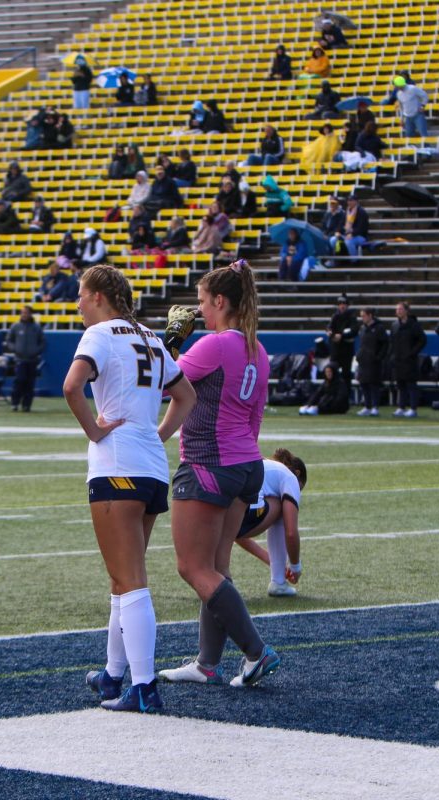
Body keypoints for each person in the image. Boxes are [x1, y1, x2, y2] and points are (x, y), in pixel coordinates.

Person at [64, 265, 196, 713]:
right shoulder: (152, 338)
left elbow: (72, 387)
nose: (77, 303)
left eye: (81, 294)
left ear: (100, 295)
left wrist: (94, 432)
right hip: (152, 467)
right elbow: (186, 396)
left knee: (131, 580)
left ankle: (143, 686)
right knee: (123, 579)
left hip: (116, 465)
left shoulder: (99, 335)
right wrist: (155, 435)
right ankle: (113, 675)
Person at [157, 259, 280, 689]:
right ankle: (208, 664)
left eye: (202, 303)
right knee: (217, 568)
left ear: (221, 301)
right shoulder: (256, 349)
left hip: (209, 463)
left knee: (193, 568)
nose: (198, 312)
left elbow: (164, 383)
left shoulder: (214, 346)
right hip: (246, 464)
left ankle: (256, 652)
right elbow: (255, 417)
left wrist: (170, 343)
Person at [233, 449, 307, 596]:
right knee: (282, 507)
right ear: (297, 473)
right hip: (243, 511)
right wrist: (295, 567)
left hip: (224, 510)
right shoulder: (289, 477)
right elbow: (291, 533)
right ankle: (278, 582)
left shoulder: (268, 468)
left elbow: (236, 534)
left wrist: (271, 560)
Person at [6, 305, 46, 412]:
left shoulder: (36, 327)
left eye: (26, 313)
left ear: (30, 314)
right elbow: (9, 340)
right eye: (23, 312)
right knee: (19, 381)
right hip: (19, 359)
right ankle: (15, 403)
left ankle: (26, 405)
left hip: (32, 360)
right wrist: (15, 349)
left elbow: (42, 342)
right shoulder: (16, 326)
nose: (24, 315)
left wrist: (36, 351)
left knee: (30, 383)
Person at [390, 301, 426, 417]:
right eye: (397, 309)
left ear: (406, 311)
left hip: (409, 360)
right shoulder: (394, 325)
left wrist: (412, 352)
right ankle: (401, 407)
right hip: (398, 359)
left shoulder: (414, 324)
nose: (398, 311)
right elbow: (392, 342)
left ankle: (413, 408)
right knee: (400, 385)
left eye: (400, 309)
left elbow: (422, 340)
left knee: (411, 384)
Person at [353, 307, 388, 417]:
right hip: (364, 360)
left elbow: (385, 344)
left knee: (374, 384)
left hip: (374, 361)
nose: (362, 318)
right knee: (364, 383)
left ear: (370, 315)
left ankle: (375, 407)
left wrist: (379, 357)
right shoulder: (363, 328)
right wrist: (359, 355)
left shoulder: (379, 328)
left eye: (363, 315)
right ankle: (367, 406)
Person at [327, 295, 356, 376]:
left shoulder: (352, 317)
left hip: (347, 351)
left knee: (346, 374)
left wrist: (341, 336)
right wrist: (330, 333)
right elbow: (329, 327)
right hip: (335, 350)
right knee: (333, 372)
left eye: (344, 304)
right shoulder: (335, 316)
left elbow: (354, 331)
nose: (342, 306)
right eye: (340, 304)